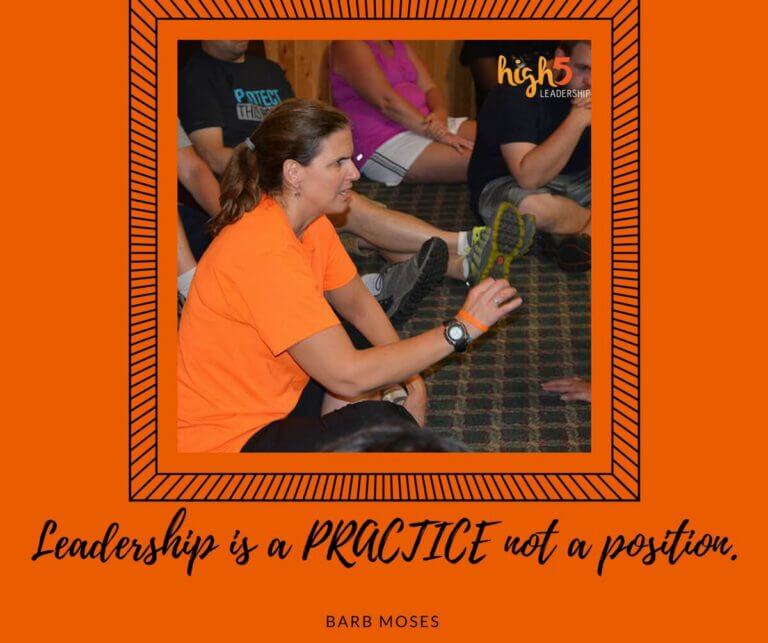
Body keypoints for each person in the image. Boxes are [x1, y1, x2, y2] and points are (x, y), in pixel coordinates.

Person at [177, 99, 522, 453]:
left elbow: (357, 303)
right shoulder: (263, 250)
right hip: (226, 443)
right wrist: (460, 329)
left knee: (367, 352)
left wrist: (411, 380)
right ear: (293, 173)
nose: (355, 173)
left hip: (275, 399)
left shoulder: (310, 223)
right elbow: (347, 375)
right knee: (381, 425)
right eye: (338, 162)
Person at [179, 40, 530, 296]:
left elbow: (298, 128)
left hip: (296, 168)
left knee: (352, 220)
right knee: (352, 209)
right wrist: (279, 169)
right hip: (261, 178)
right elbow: (213, 156)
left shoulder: (268, 69)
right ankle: (465, 243)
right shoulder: (197, 76)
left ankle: (460, 266)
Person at [467, 40, 592, 272]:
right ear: (561, 57)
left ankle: (574, 232)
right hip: (509, 184)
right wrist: (579, 118)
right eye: (584, 68)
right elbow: (528, 178)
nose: (592, 82)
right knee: (531, 210)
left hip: (580, 181)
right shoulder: (518, 90)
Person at [330, 40, 476, 186]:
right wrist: (440, 134)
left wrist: (440, 113)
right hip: (385, 140)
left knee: (490, 134)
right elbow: (386, 102)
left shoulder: (397, 43)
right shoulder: (349, 44)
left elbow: (430, 88)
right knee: (480, 160)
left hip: (424, 122)